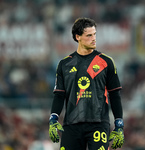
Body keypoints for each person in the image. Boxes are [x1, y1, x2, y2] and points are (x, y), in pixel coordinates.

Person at [49, 17, 124, 150]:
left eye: (94, 34)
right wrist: (53, 119)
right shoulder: (64, 64)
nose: (94, 38)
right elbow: (59, 95)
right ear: (78, 37)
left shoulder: (106, 62)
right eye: (89, 35)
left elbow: (115, 95)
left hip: (98, 124)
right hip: (71, 125)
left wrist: (119, 124)